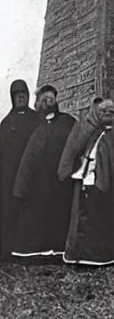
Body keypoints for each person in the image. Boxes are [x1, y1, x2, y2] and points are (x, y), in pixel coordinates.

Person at [58, 97, 114, 266]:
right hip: (87, 179)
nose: (107, 115)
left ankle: (105, 255)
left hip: (112, 185)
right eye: (103, 111)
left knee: (105, 218)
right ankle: (84, 255)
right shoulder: (87, 130)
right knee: (86, 219)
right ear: (97, 112)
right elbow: (74, 151)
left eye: (111, 112)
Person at [11, 85, 76, 259]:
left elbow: (76, 144)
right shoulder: (32, 122)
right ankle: (34, 251)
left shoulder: (67, 121)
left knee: (60, 212)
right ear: (38, 101)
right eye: (44, 99)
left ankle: (58, 250)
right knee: (36, 214)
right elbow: (25, 156)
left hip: (61, 179)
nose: (48, 102)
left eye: (51, 99)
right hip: (37, 180)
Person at [0, 80, 40, 260]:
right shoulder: (6, 123)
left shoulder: (37, 118)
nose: (21, 97)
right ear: (13, 98)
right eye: (17, 95)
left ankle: (29, 250)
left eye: (23, 93)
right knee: (10, 210)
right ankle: (9, 250)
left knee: (32, 210)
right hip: (10, 174)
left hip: (33, 173)